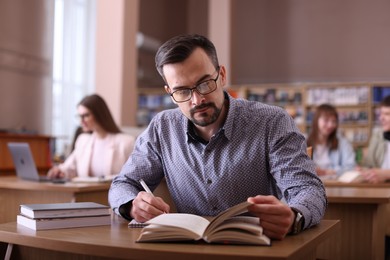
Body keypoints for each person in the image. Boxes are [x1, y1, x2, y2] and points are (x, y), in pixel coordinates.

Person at [108, 34, 326, 240]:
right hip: (190, 249)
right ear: (170, 93)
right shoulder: (162, 128)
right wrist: (131, 204)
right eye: (182, 91)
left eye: (204, 83)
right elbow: (122, 184)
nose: (197, 99)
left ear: (221, 75)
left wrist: (294, 216)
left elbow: (308, 189)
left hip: (259, 247)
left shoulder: (271, 121)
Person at [48, 94, 135, 179]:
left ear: (99, 114)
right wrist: (59, 170)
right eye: (79, 116)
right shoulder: (83, 140)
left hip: (111, 192)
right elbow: (69, 167)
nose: (81, 121)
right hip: (85, 193)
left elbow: (133, 175)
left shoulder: (126, 142)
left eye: (86, 115)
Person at [306, 104, 356, 178]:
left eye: (333, 121)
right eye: (326, 120)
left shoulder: (343, 142)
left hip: (336, 185)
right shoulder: (303, 141)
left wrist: (325, 172)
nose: (330, 125)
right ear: (316, 120)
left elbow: (351, 166)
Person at [359, 95, 390, 183]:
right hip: (379, 186)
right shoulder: (377, 134)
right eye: (381, 114)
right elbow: (369, 164)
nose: (381, 118)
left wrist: (387, 174)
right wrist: (364, 170)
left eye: (387, 114)